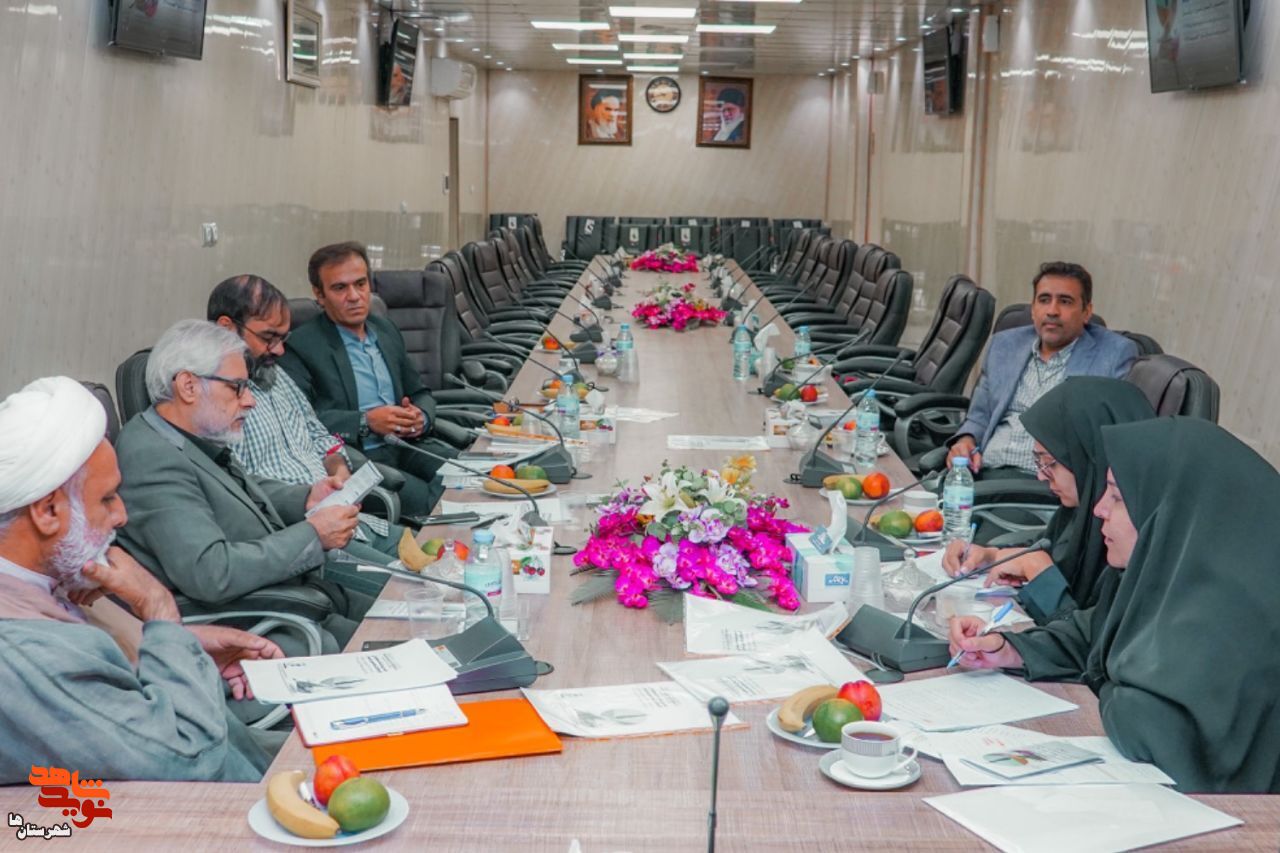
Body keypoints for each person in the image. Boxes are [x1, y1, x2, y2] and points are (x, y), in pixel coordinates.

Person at [949, 417, 1280, 793]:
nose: (1098, 509)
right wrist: (1008, 649)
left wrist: (1104, 681)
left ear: (1171, 509)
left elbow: (1147, 724)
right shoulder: (1163, 575)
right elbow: (1093, 635)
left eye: (1118, 498)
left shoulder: (1230, 613)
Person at [0, 376, 281, 782]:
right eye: (106, 499)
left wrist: (179, 646)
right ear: (47, 512)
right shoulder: (25, 655)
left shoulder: (51, 582)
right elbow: (189, 758)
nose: (121, 516)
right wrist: (159, 609)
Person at [115, 319, 370, 654]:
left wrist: (306, 498)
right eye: (237, 388)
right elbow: (212, 572)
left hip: (284, 591)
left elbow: (235, 489)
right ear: (188, 386)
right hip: (254, 618)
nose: (250, 400)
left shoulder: (184, 434)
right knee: (392, 643)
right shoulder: (150, 456)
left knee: (402, 616)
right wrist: (313, 534)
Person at [207, 274, 408, 592]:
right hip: (300, 541)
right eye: (269, 338)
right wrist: (308, 504)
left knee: (442, 551)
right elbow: (235, 491)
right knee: (414, 590)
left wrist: (338, 467)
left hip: (347, 520)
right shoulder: (212, 399)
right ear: (226, 328)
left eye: (283, 338)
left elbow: (321, 434)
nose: (279, 350)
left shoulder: (274, 374)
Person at [942, 377, 1155, 624]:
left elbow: (1091, 641)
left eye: (1048, 462)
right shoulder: (1082, 513)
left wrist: (1039, 572)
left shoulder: (1133, 544)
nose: (1041, 475)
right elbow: (1053, 547)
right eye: (1038, 461)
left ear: (1087, 455)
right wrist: (991, 556)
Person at [280, 241, 455, 516]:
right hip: (359, 459)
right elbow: (299, 423)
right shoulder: (301, 347)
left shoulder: (384, 330)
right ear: (319, 294)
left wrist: (420, 416)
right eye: (340, 288)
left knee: (473, 476)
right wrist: (366, 421)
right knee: (440, 504)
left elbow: (420, 392)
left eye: (360, 284)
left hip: (408, 444)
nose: (354, 296)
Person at [948, 262, 1138, 478]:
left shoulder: (1113, 355)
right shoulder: (1004, 345)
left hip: (1045, 484)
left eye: (1065, 301)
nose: (1052, 311)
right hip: (984, 471)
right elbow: (979, 416)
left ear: (1086, 312)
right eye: (1044, 300)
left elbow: (1110, 438)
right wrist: (966, 441)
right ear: (1033, 309)